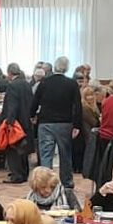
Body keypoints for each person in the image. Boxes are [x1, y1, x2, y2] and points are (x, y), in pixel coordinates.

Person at [31, 56, 84, 190]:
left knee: (46, 154)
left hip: (45, 122)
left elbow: (35, 101)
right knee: (65, 154)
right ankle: (66, 182)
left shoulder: (44, 82)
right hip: (64, 123)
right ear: (66, 68)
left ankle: (44, 181)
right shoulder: (72, 84)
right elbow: (78, 106)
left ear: (54, 67)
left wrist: (32, 115)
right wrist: (77, 125)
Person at [0, 63, 33, 182]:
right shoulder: (27, 84)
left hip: (16, 123)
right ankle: (24, 173)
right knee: (23, 149)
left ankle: (16, 175)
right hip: (26, 122)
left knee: (13, 150)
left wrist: (9, 122)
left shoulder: (12, 86)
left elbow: (12, 106)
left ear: (9, 73)